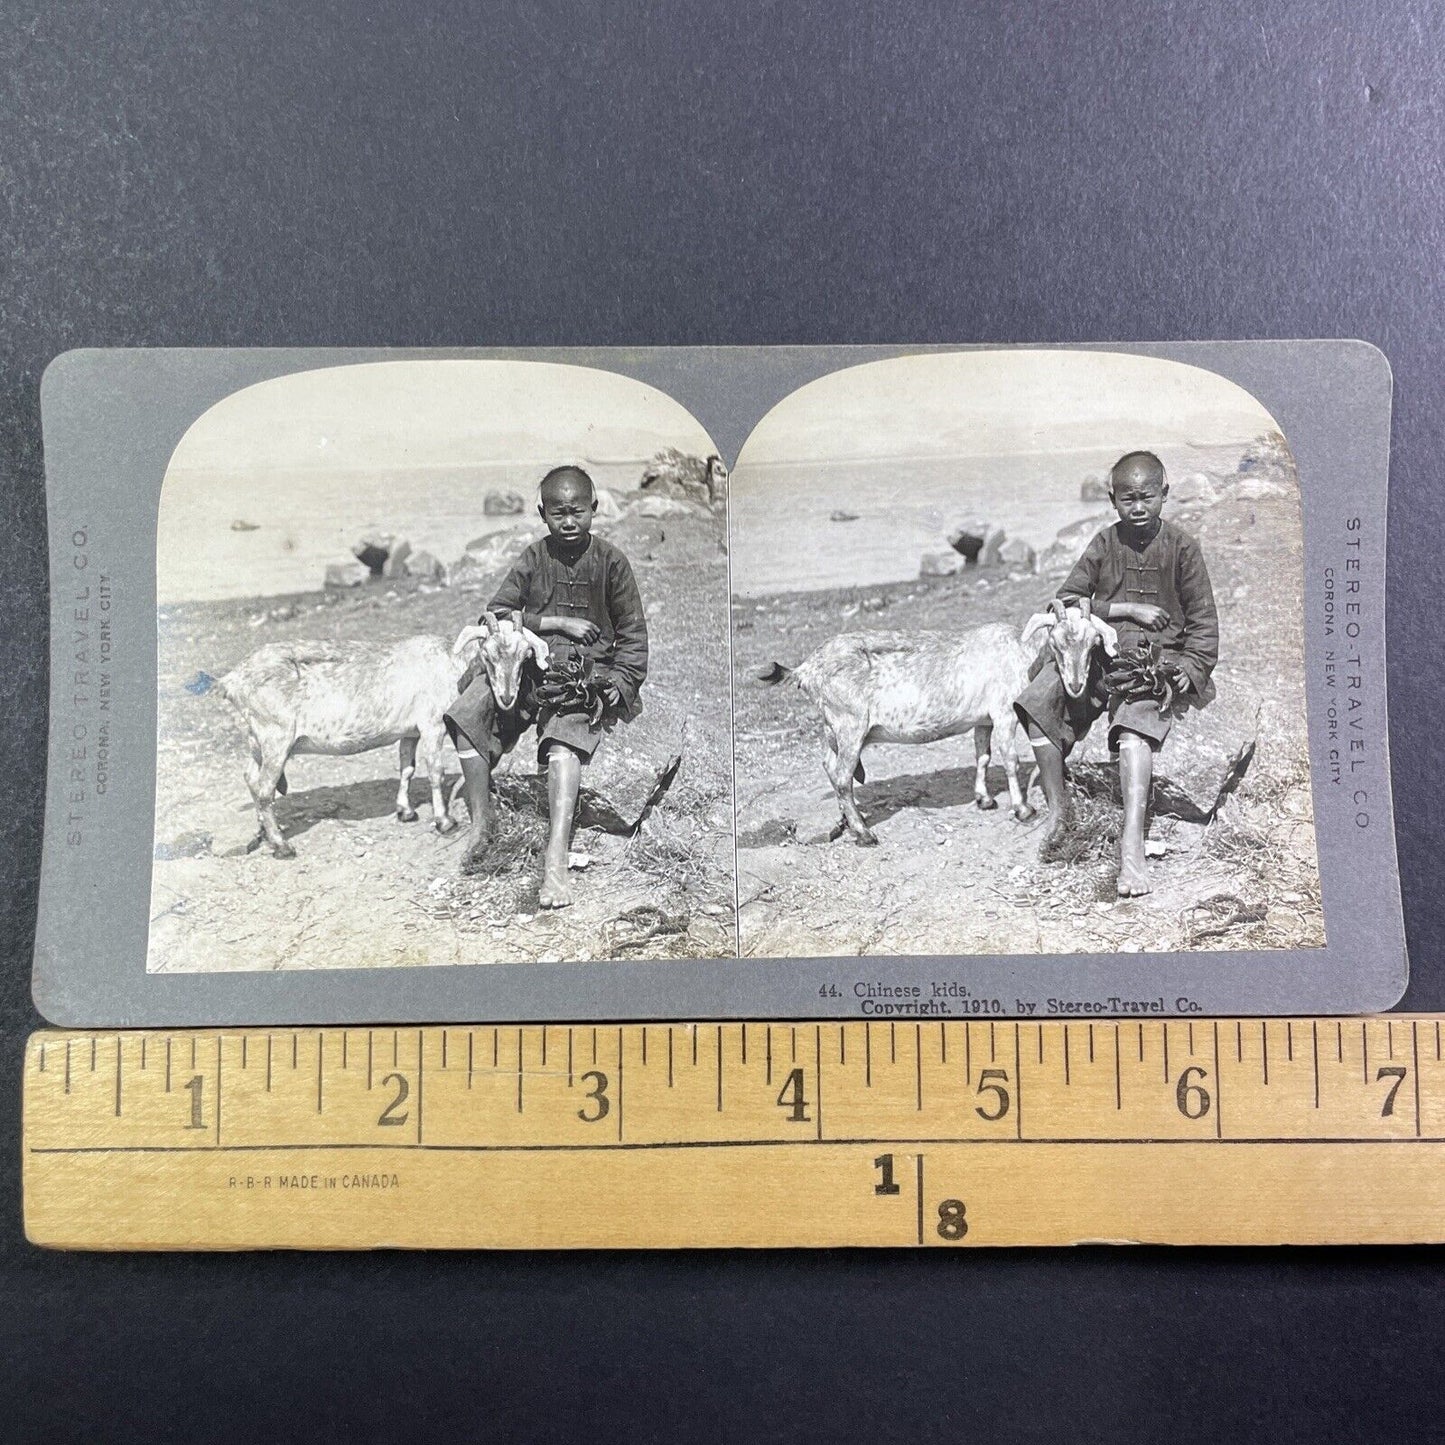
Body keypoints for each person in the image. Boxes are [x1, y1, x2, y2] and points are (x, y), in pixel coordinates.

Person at [1013, 450, 1219, 896]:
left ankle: (1132, 847)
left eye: (1147, 497)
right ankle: (1058, 814)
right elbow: (1067, 602)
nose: (1138, 508)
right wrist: (1124, 608)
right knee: (1037, 702)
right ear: (1112, 500)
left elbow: (1204, 622)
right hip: (1100, 657)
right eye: (1128, 499)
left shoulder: (1183, 549)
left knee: (1131, 730)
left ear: (1164, 494)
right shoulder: (1104, 544)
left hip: (1153, 665)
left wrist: (1191, 666)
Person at [443, 465, 648, 908]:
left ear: (595, 510)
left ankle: (555, 858)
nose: (569, 522)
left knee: (561, 744)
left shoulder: (612, 563)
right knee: (467, 713)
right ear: (542, 513)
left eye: (578, 512)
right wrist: (555, 622)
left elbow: (634, 635)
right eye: (558, 513)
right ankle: (482, 824)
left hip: (582, 678)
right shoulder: (533, 559)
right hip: (529, 670)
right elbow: (496, 615)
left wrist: (621, 682)